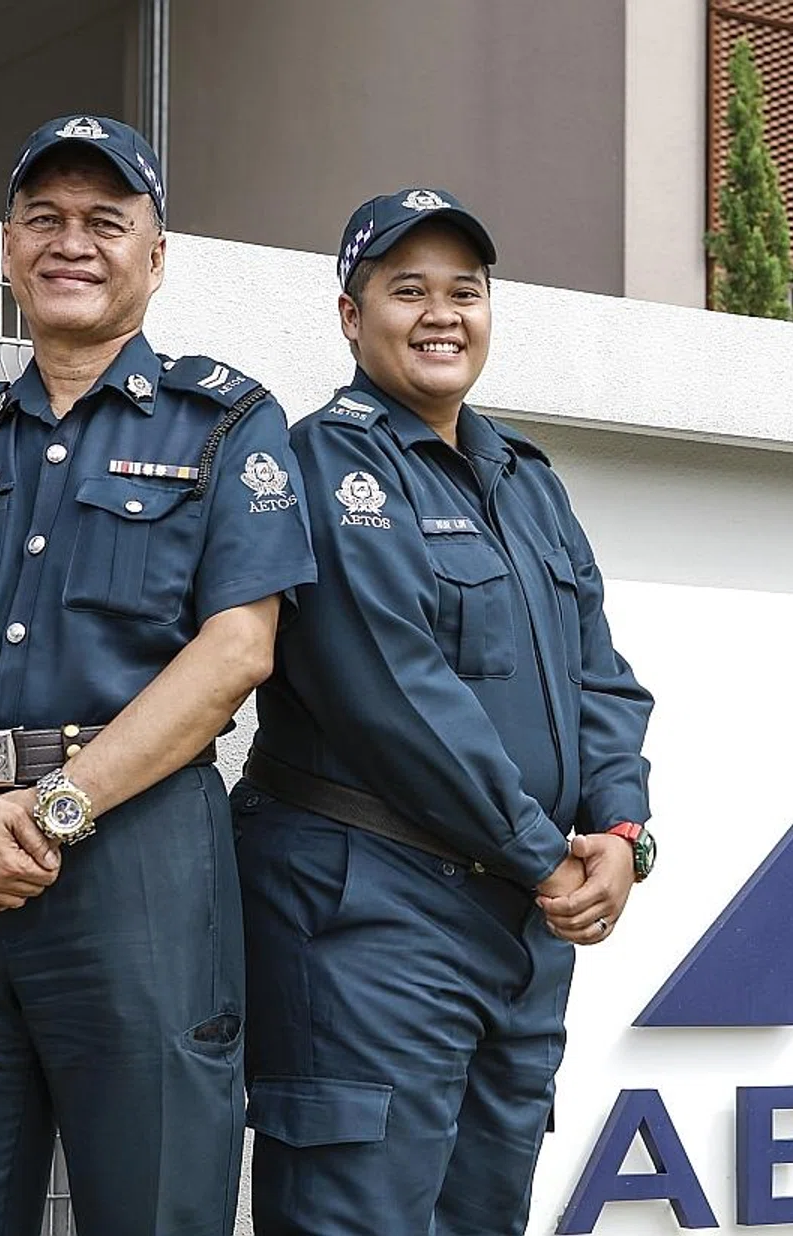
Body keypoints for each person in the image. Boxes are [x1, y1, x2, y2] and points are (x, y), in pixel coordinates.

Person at [0, 114, 314, 1235]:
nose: (71, 242)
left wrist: (53, 809)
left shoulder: (227, 422)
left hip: (138, 866)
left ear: (155, 252)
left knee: (151, 1206)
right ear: (6, 249)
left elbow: (238, 649)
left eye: (105, 219)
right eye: (44, 219)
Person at [234, 188, 657, 1234]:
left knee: (484, 1215)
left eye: (463, 291)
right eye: (407, 290)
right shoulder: (327, 465)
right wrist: (546, 856)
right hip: (369, 915)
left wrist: (619, 829)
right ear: (350, 316)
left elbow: (601, 674)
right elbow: (394, 697)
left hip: (514, 922)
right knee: (361, 1215)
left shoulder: (525, 478)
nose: (441, 314)